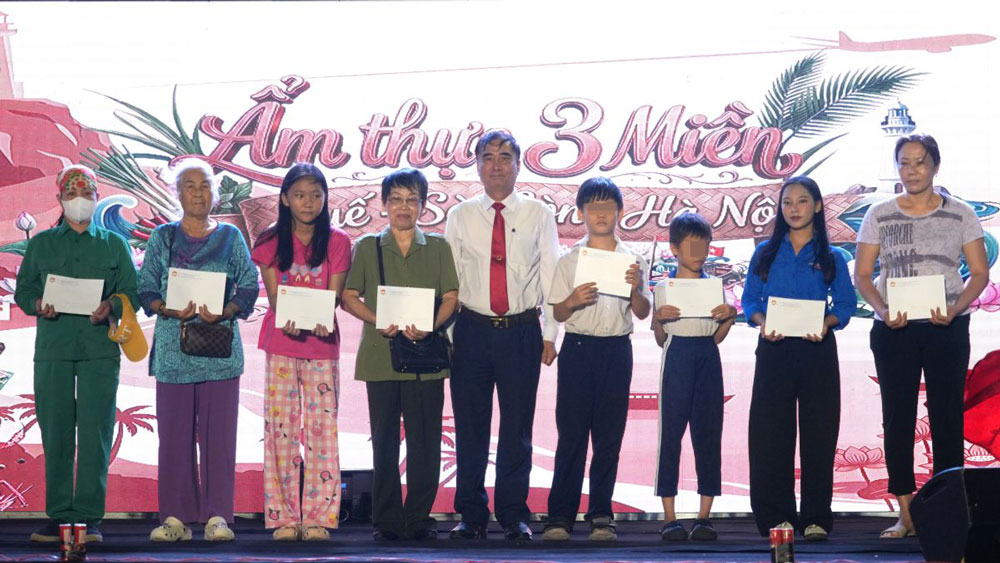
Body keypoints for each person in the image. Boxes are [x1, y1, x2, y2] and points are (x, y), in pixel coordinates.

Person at [854, 135, 989, 538]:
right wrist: (882, 310)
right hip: (894, 331)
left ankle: (946, 513)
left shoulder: (961, 213)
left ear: (935, 166)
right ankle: (907, 514)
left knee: (946, 418)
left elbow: (979, 273)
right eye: (905, 163)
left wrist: (954, 308)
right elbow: (862, 275)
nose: (912, 171)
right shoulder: (878, 214)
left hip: (946, 328)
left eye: (920, 162)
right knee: (898, 421)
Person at [444, 130, 560, 540]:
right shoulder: (460, 215)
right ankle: (471, 515)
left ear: (518, 164)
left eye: (505, 157)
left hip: (522, 332)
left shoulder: (538, 214)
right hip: (471, 331)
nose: (496, 164)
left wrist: (551, 335)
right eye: (488, 157)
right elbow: (450, 281)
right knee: (470, 428)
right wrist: (449, 335)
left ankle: (513, 514)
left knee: (517, 429)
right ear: (477, 164)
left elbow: (551, 275)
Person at [15, 165, 139, 543]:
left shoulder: (114, 244)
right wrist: (38, 303)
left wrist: (111, 306)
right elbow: (23, 294)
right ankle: (59, 515)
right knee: (55, 432)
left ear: (98, 197)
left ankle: (88, 517)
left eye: (87, 194)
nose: (80, 202)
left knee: (96, 432)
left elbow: (132, 293)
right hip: (53, 349)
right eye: (72, 195)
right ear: (60, 200)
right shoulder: (41, 244)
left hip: (100, 350)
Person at [138, 159, 259, 542]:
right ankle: (175, 518)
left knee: (219, 438)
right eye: (189, 185)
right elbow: (147, 289)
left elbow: (249, 285)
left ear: (215, 192)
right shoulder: (163, 237)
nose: (198, 192)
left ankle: (217, 516)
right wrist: (165, 308)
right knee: (173, 437)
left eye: (204, 185)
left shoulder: (231, 237)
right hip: (174, 351)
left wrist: (228, 310)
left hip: (219, 350)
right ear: (177, 193)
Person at [342, 168, 459, 541]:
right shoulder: (367, 246)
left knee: (426, 442)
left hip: (427, 358)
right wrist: (379, 320)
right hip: (380, 356)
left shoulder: (438, 247)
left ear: (423, 205)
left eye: (411, 200)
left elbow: (453, 296)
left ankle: (419, 518)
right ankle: (388, 520)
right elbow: (348, 297)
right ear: (384, 204)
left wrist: (431, 325)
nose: (403, 207)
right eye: (396, 199)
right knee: (385, 441)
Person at [742, 176, 856, 540]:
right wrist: (762, 323)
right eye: (787, 202)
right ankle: (778, 517)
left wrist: (827, 323)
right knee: (770, 435)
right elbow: (750, 302)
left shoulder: (832, 257)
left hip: (817, 349)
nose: (793, 208)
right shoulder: (765, 253)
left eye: (802, 201)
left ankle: (815, 517)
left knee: (819, 434)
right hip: (774, 349)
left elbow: (847, 305)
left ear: (818, 206)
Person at [540, 177, 651, 542]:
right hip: (578, 350)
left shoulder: (633, 259)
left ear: (620, 212)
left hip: (617, 351)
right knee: (571, 435)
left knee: (608, 437)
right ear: (581, 213)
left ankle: (601, 514)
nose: (601, 214)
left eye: (608, 207)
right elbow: (556, 312)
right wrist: (572, 301)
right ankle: (560, 516)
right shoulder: (569, 260)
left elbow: (642, 311)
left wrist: (635, 289)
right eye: (593, 208)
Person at [251, 163, 351, 541]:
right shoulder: (270, 240)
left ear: (325, 199)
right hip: (282, 343)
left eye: (316, 194)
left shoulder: (339, 241)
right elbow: (276, 298)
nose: (309, 202)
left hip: (323, 346)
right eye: (300, 194)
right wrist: (288, 315)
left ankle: (319, 518)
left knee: (323, 432)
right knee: (281, 431)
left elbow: (336, 297)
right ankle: (282, 517)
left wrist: (323, 313)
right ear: (285, 199)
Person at [651, 212, 737, 542]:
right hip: (676, 355)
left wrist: (729, 316)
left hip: (707, 356)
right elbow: (661, 339)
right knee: (670, 435)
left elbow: (716, 337)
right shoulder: (663, 287)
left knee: (708, 433)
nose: (699, 250)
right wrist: (658, 319)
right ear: (675, 248)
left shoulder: (715, 287)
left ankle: (704, 517)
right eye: (692, 244)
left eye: (704, 243)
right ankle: (670, 518)